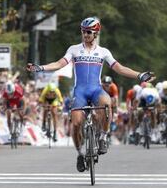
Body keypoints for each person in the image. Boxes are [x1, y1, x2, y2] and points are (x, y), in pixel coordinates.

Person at [27, 16, 154, 173]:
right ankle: (80, 154)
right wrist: (41, 68)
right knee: (76, 123)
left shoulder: (103, 52)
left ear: (96, 33)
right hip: (79, 91)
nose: (85, 34)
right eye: (83, 31)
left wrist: (139, 75)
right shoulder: (74, 49)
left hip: (96, 90)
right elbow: (59, 64)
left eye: (89, 32)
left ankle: (102, 137)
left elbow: (119, 68)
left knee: (106, 103)